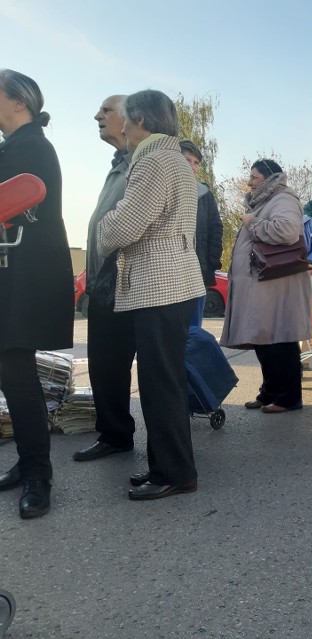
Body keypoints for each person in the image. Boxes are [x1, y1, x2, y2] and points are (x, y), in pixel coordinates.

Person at [97, 89, 206, 500]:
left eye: (125, 117)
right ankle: (165, 466)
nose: (120, 125)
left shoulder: (154, 160)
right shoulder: (173, 158)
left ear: (141, 120)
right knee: (165, 381)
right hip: (171, 286)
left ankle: (175, 473)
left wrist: (102, 227)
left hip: (158, 287)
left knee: (160, 385)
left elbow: (124, 226)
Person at [0, 69, 73, 519]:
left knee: (16, 375)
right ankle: (29, 463)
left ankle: (38, 475)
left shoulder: (30, 147)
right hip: (14, 278)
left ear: (18, 102)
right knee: (11, 375)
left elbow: (22, 207)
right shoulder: (18, 146)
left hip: (21, 281)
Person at [72, 96, 141, 465]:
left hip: (132, 285)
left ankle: (170, 452)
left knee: (157, 369)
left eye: (106, 111)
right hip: (103, 286)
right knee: (105, 366)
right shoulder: (117, 166)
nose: (97, 116)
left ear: (131, 119)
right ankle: (114, 434)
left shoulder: (143, 164)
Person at [220, 159, 312, 413]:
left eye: (254, 177)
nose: (249, 182)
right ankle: (270, 391)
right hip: (263, 284)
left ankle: (289, 398)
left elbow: (288, 231)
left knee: (281, 339)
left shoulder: (282, 198)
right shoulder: (265, 201)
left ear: (269, 178)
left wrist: (253, 223)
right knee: (264, 340)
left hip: (277, 285)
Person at [179, 140, 223, 326]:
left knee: (193, 329)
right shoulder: (161, 186)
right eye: (187, 159)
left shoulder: (204, 193)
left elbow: (215, 228)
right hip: (169, 272)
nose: (192, 166)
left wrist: (211, 263)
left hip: (197, 271)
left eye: (196, 162)